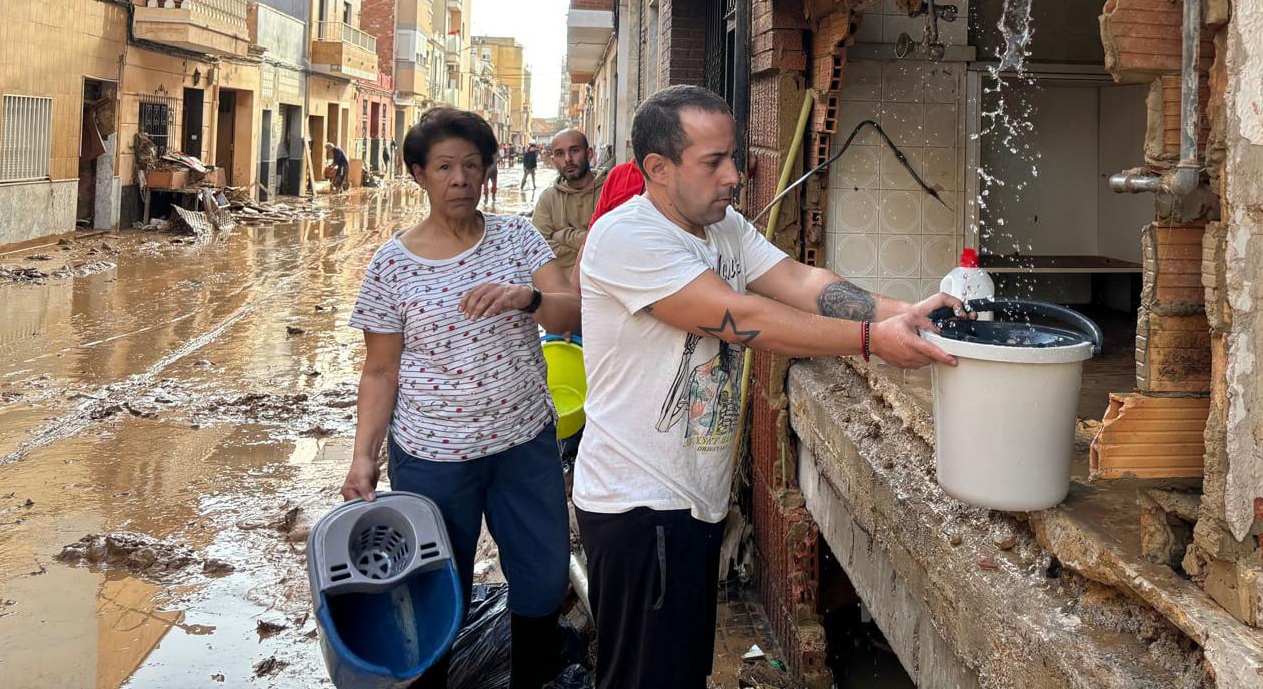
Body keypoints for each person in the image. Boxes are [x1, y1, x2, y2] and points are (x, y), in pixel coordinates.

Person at [574, 85, 961, 689]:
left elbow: (801, 281)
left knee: (679, 674)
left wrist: (901, 312)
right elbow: (743, 318)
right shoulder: (627, 238)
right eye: (713, 162)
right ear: (658, 168)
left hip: (692, 501)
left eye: (734, 157)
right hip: (640, 508)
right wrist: (869, 339)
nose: (734, 175)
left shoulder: (721, 226)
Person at [342, 107, 579, 689]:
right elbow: (379, 371)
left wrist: (527, 298)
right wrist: (363, 456)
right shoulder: (391, 266)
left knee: (544, 577)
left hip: (523, 443)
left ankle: (532, 676)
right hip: (432, 457)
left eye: (472, 165)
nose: (460, 178)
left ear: (488, 171)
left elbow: (571, 311)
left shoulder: (517, 236)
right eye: (445, 166)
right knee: (435, 584)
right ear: (419, 174)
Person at [531, 129, 605, 273]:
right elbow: (538, 250)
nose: (568, 159)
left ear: (589, 154)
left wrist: (561, 235)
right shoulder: (548, 199)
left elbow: (611, 246)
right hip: (563, 288)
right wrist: (590, 249)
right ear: (553, 161)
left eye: (575, 150)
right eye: (560, 154)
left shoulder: (610, 190)